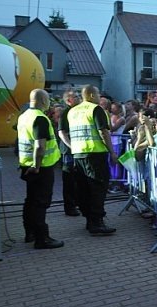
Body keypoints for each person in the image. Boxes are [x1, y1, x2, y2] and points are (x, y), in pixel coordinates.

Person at [62, 85, 117, 235]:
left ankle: (89, 220)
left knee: (83, 189)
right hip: (95, 154)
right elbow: (103, 132)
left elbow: (64, 131)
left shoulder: (72, 111)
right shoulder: (96, 109)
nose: (100, 96)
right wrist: (112, 152)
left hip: (78, 154)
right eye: (98, 93)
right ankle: (97, 223)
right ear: (92, 95)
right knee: (98, 189)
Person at [17, 89, 64, 249]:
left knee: (30, 200)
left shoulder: (23, 116)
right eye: (48, 99)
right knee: (40, 203)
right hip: (40, 168)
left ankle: (29, 233)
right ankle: (42, 238)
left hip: (26, 165)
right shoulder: (39, 118)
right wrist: (37, 166)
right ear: (43, 100)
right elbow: (40, 145)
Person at [57, 89, 82, 216]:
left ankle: (76, 203)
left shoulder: (76, 112)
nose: (79, 98)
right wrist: (71, 147)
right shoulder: (65, 113)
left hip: (77, 150)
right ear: (68, 100)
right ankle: (70, 206)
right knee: (69, 180)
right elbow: (62, 133)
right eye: (76, 97)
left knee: (76, 179)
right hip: (69, 152)